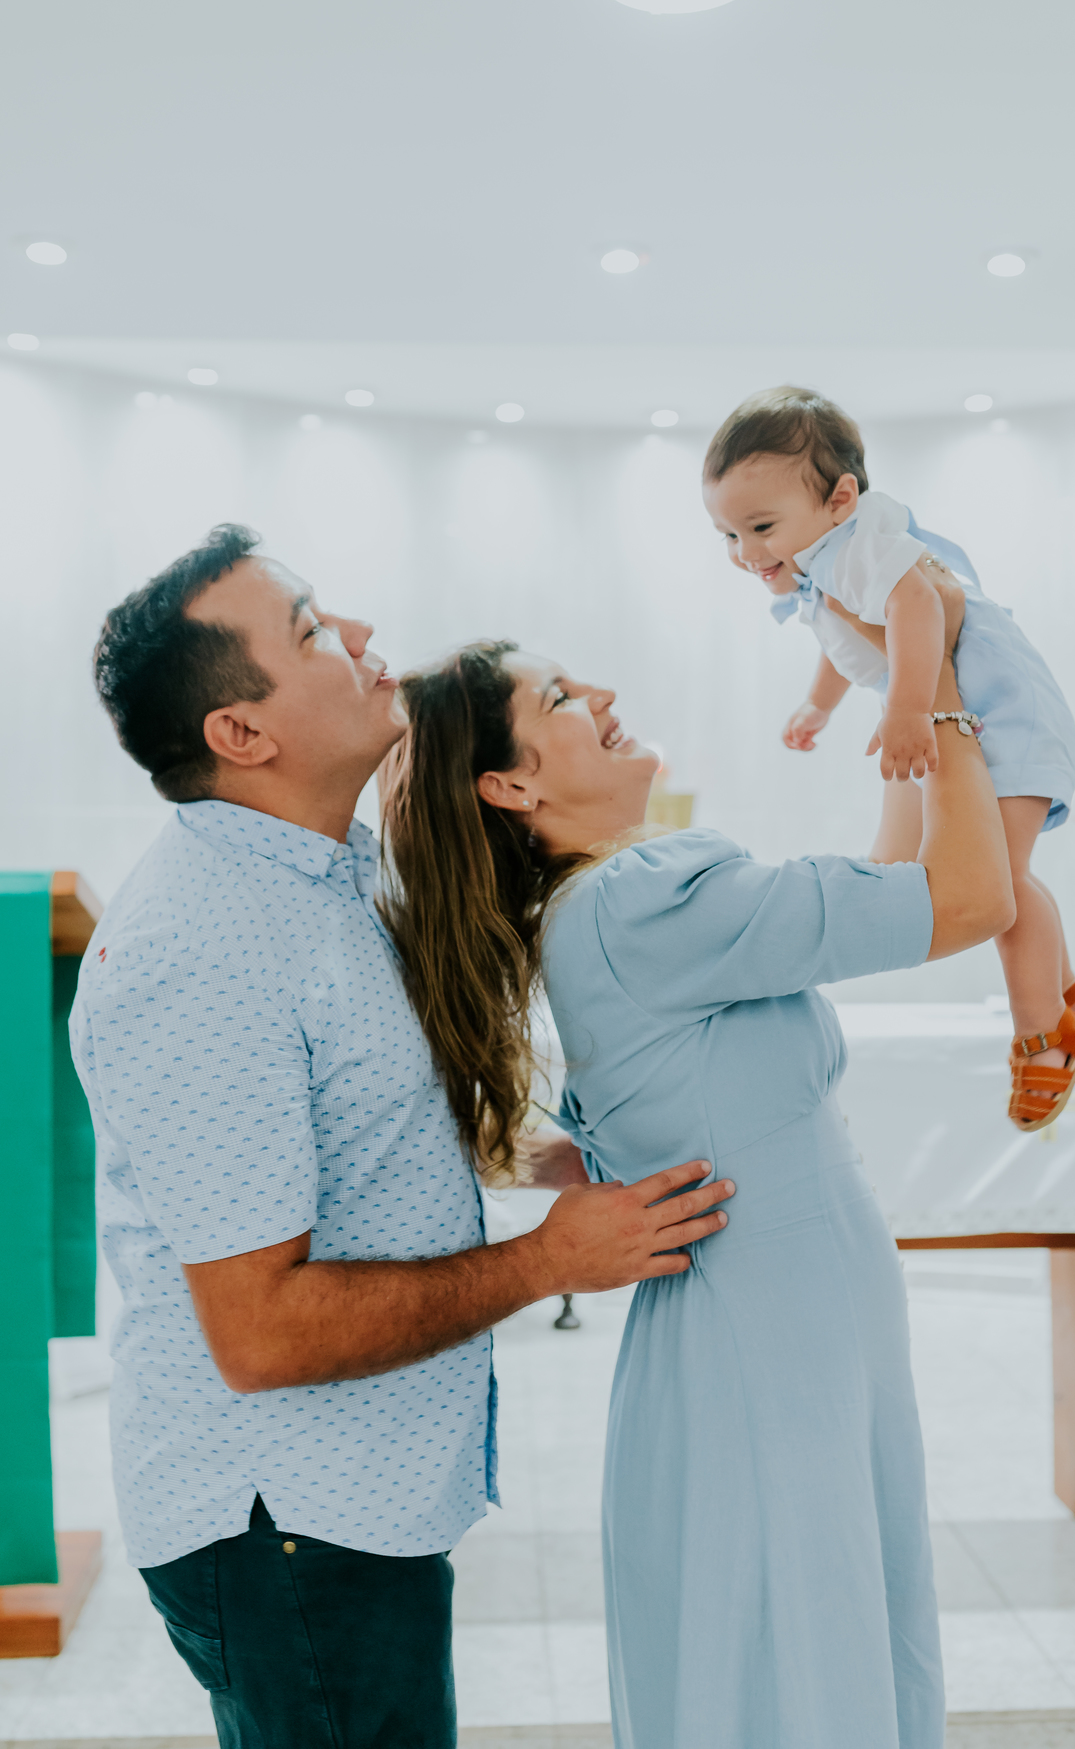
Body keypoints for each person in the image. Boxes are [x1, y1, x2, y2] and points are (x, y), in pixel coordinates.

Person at [69, 523, 732, 1749]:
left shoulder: (321, 878)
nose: (366, 638)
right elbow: (261, 1331)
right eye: (314, 631)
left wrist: (554, 1157)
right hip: (286, 1530)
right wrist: (548, 1261)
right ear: (242, 734)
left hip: (348, 1506)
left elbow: (358, 1127)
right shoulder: (203, 951)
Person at [381, 605, 1015, 1747]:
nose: (607, 698)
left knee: (807, 1635)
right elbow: (970, 899)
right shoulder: (641, 900)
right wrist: (946, 688)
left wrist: (902, 721)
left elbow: (886, 889)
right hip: (775, 1324)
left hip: (780, 1312)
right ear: (512, 790)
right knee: (806, 1648)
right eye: (564, 700)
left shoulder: (615, 909)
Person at [702, 385, 1075, 1131]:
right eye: (727, 535)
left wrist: (909, 706)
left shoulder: (861, 546)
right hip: (965, 707)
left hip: (1005, 710)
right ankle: (1064, 995)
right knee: (926, 870)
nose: (748, 553)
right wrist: (821, 703)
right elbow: (845, 633)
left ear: (841, 498)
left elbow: (917, 608)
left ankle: (1045, 1034)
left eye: (760, 527)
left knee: (1000, 883)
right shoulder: (821, 558)